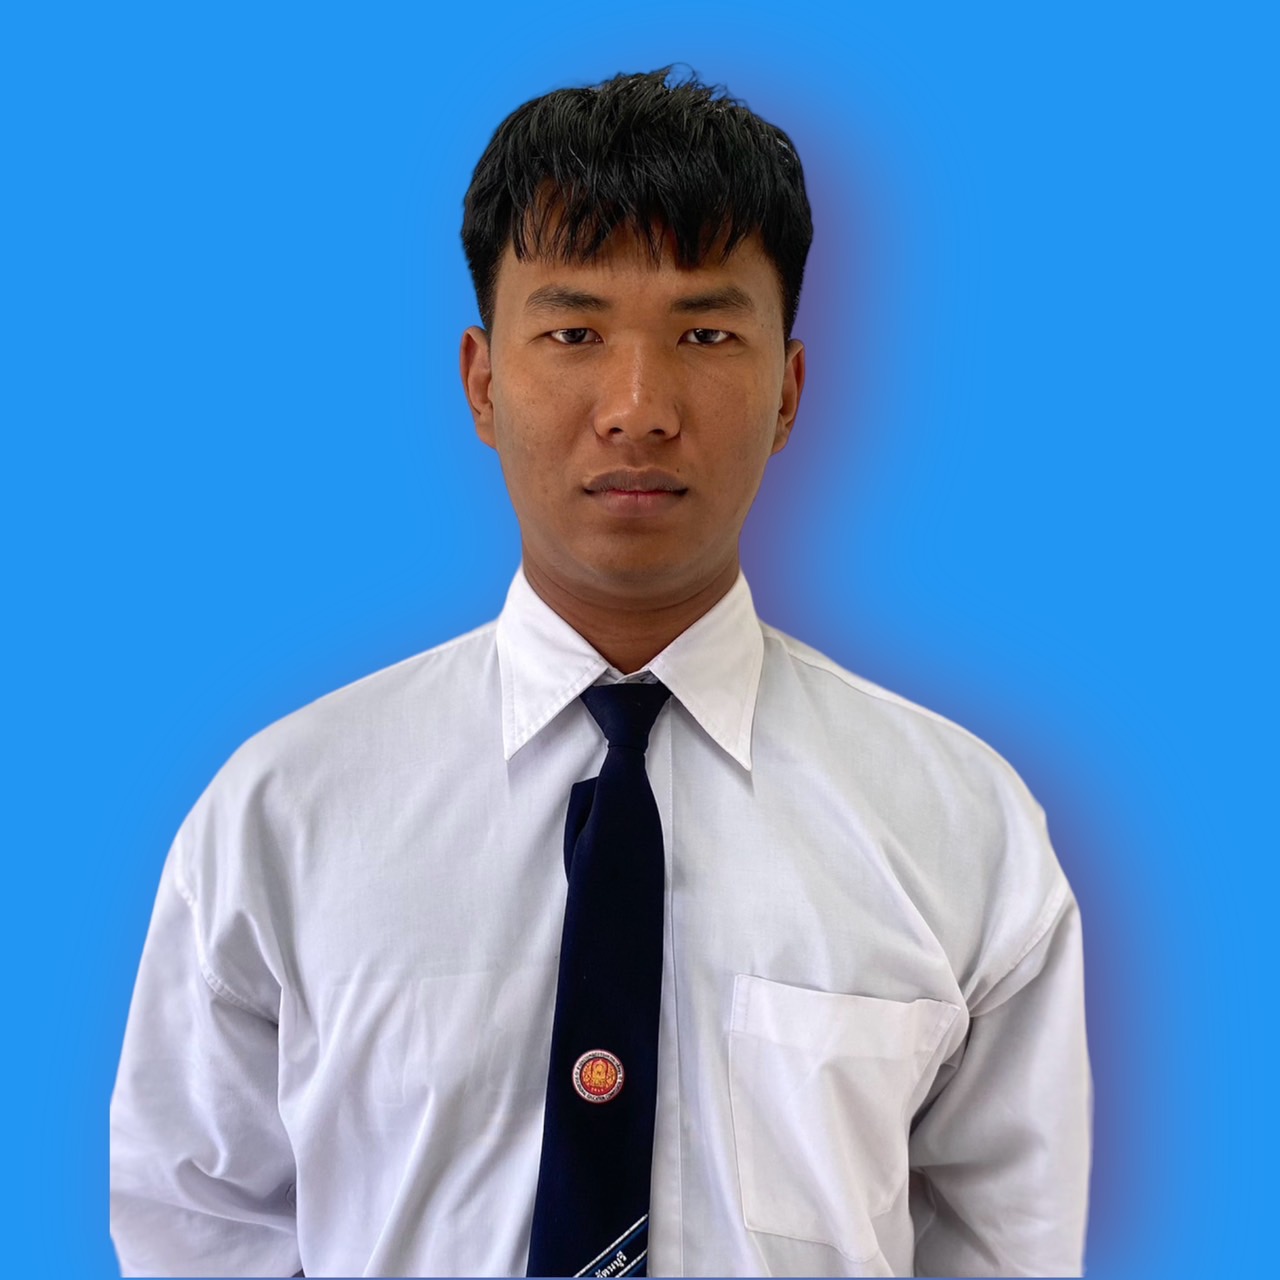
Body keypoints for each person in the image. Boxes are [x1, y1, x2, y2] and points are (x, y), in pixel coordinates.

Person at [110, 68, 1091, 1278]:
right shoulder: (284, 811)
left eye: (704, 333)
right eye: (573, 332)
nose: (636, 408)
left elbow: (1006, 1244)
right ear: (481, 379)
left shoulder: (957, 822)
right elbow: (195, 1222)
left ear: (788, 390)